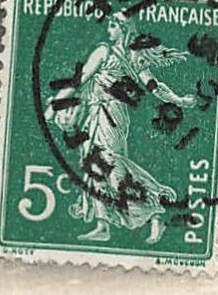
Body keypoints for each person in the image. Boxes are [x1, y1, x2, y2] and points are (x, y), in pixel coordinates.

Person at [52, 16, 198, 244]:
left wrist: (57, 103)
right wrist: (178, 99)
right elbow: (153, 86)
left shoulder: (106, 51)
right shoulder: (133, 56)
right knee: (96, 167)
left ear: (123, 29)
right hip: (101, 114)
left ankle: (154, 209)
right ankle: (103, 225)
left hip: (108, 115)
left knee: (108, 164)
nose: (108, 29)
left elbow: (81, 79)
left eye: (112, 25)